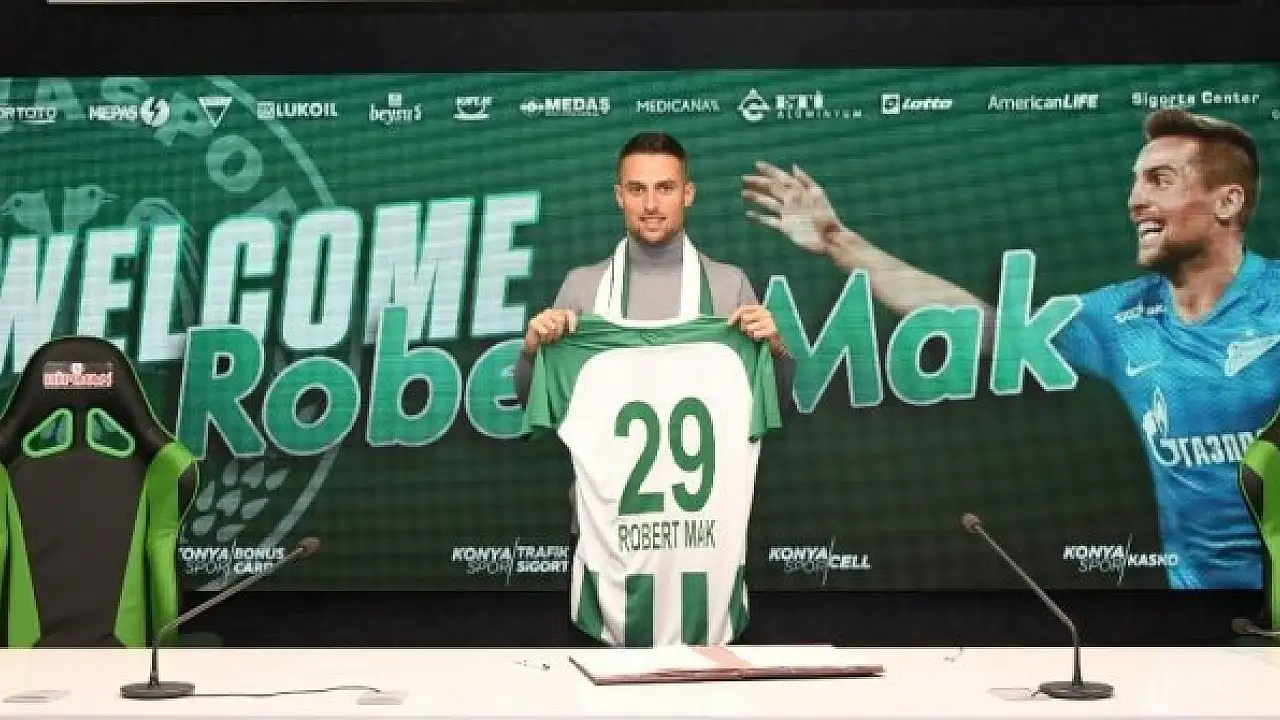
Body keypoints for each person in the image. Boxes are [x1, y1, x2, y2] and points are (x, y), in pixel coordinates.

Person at [742, 107, 1277, 591]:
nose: (1135, 200)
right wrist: (835, 239)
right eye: (1136, 182)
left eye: (1160, 180)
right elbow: (979, 327)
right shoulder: (1118, 315)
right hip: (1196, 611)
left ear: (1227, 201)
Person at [515, 131, 795, 646]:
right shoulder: (583, 287)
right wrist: (534, 352)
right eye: (637, 189)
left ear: (688, 193)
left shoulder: (728, 286)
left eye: (664, 188)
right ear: (618, 195)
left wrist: (774, 349)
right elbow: (537, 404)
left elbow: (770, 404)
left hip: (703, 545)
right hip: (608, 541)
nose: (650, 204)